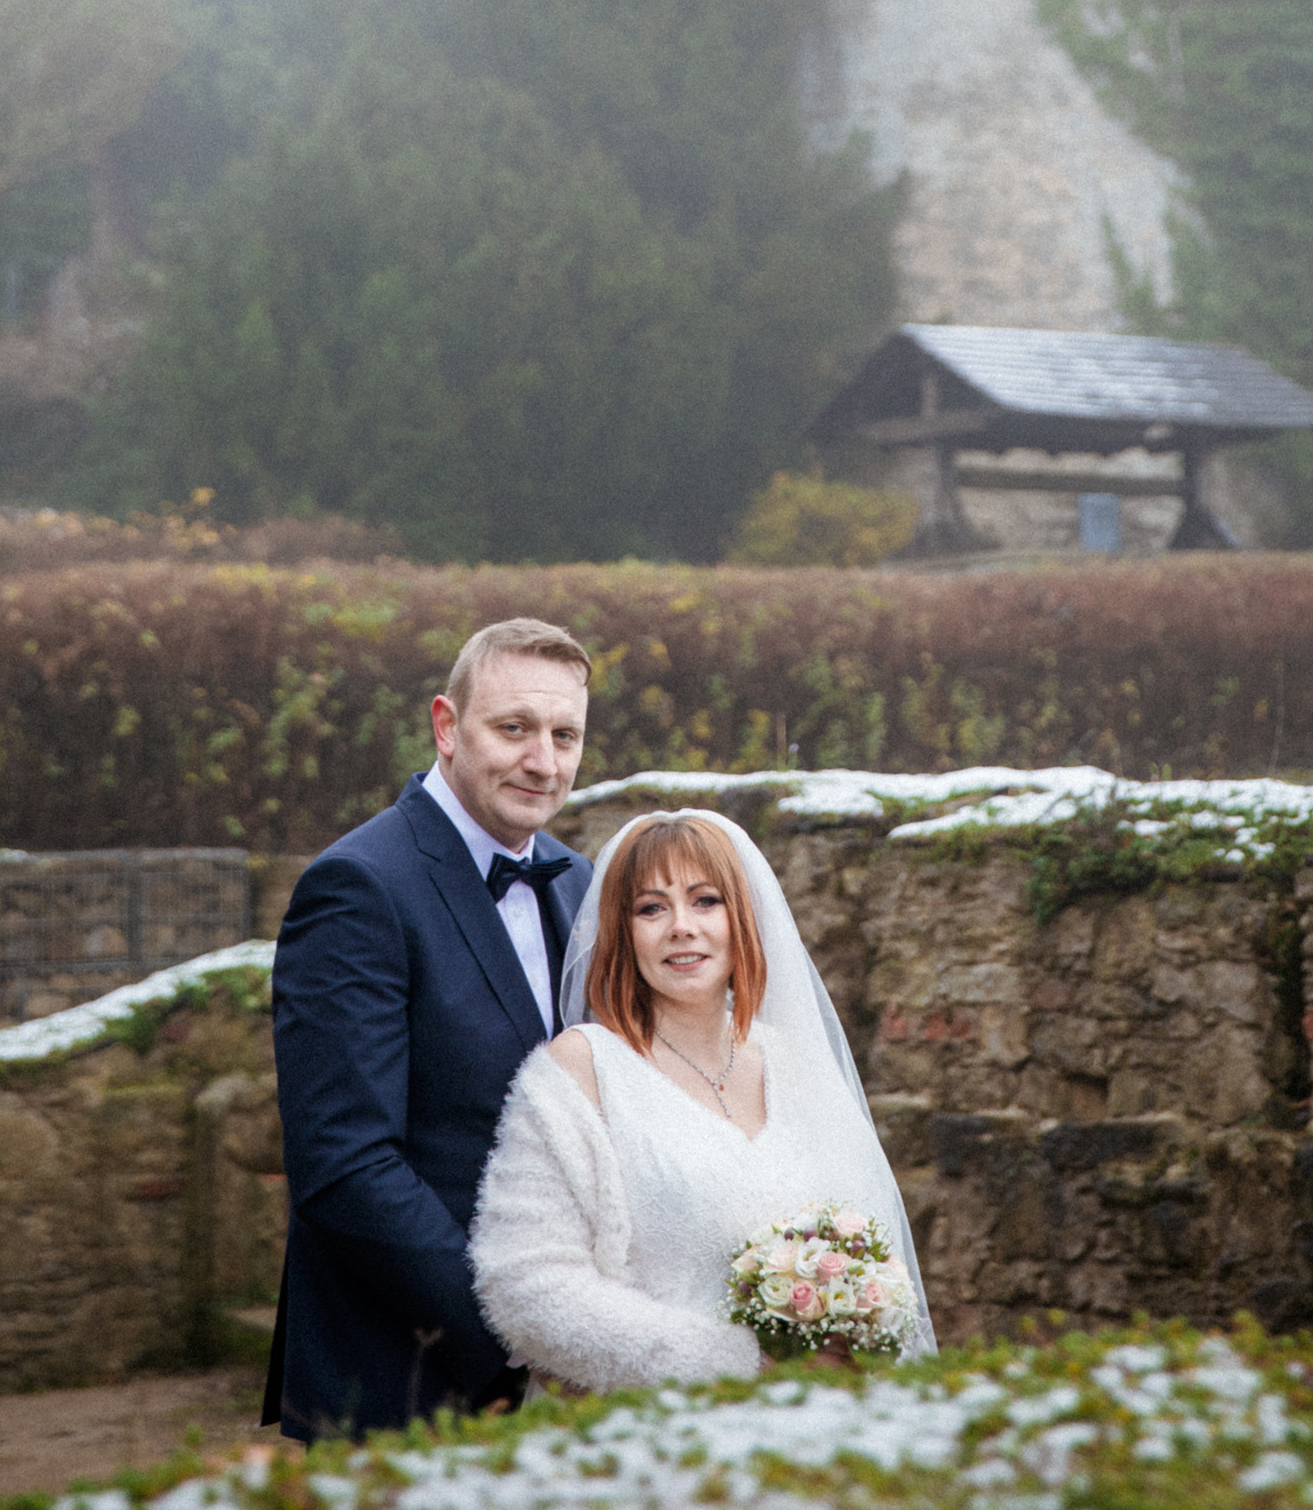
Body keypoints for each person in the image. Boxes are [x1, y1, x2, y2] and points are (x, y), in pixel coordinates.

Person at [262, 615, 595, 1441]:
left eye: (564, 735)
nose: (543, 761)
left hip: (575, 1366)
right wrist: (516, 1333)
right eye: (513, 728)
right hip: (405, 1377)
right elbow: (345, 1165)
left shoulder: (580, 882)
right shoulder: (358, 887)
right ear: (447, 727)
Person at [469, 808, 934, 1393]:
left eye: (705, 901)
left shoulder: (794, 1063)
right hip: (658, 1425)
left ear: (741, 917)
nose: (682, 927)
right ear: (622, 931)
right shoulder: (581, 1070)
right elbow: (527, 1287)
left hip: (828, 1417)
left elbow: (877, 1248)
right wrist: (739, 1364)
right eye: (651, 908)